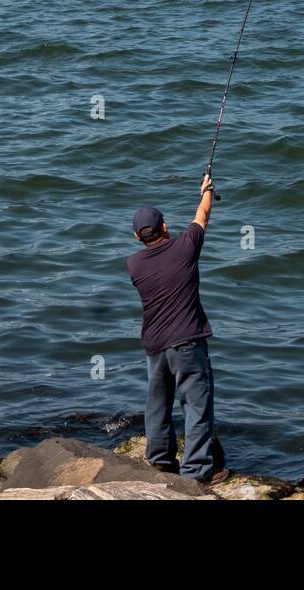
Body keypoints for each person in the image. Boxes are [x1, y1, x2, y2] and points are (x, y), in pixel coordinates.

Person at [126, 174, 226, 485]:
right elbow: (203, 215)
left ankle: (159, 459)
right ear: (165, 227)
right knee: (196, 406)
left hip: (154, 346)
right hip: (187, 343)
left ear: (137, 237)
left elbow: (200, 218)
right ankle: (195, 471)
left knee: (157, 403)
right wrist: (206, 190)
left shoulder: (134, 264)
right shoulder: (185, 248)